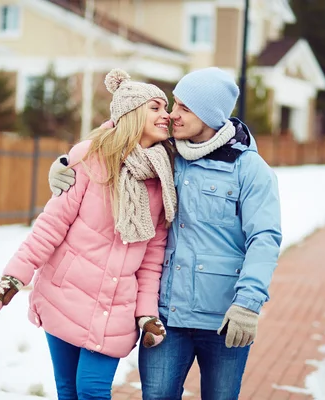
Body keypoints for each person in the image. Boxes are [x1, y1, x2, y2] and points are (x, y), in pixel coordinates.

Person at [49, 67, 282, 399]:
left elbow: (265, 238)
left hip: (223, 318)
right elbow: (116, 133)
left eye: (184, 108)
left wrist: (248, 303)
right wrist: (63, 163)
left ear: (209, 115)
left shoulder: (249, 169)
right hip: (165, 317)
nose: (172, 115)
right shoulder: (165, 153)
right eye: (174, 104)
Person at [0, 69, 179, 400]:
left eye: (167, 108)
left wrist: (146, 312)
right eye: (156, 108)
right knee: (68, 391)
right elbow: (51, 225)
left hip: (114, 306)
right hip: (65, 293)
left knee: (91, 390)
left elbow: (152, 257)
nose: (167, 116)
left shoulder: (163, 179)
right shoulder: (92, 159)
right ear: (131, 114)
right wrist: (13, 277)